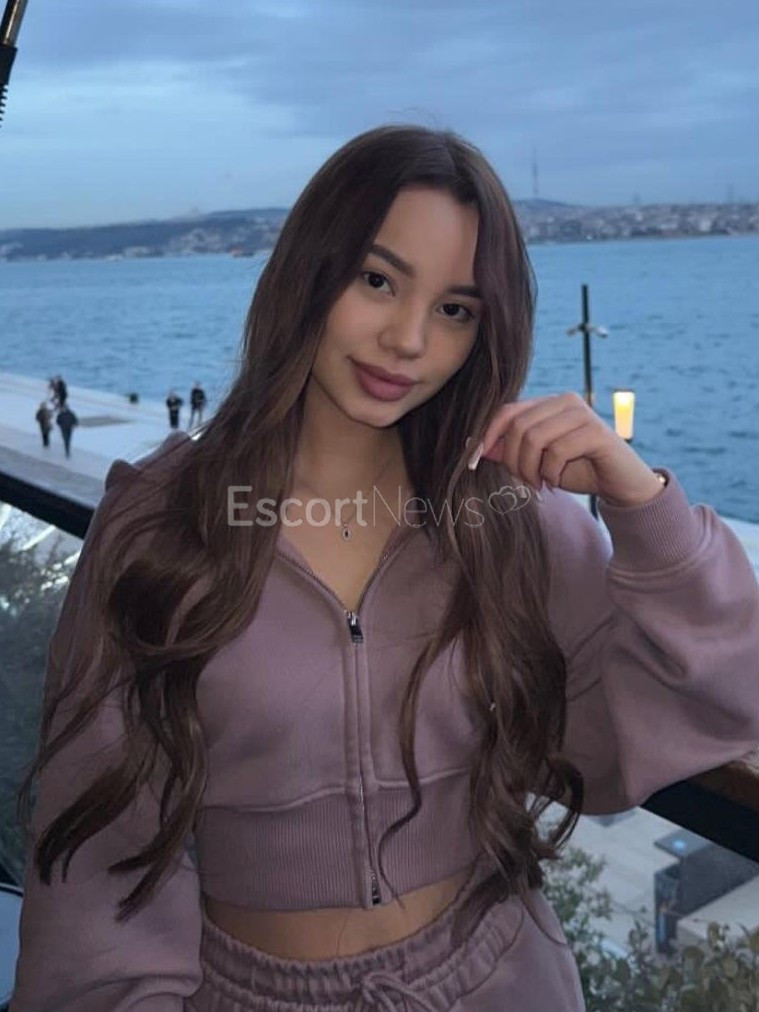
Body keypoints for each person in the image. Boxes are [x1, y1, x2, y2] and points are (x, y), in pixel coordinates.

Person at [10, 125, 759, 1012]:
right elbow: (97, 865)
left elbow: (712, 703)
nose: (408, 340)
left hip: (502, 978)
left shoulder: (507, 516)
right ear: (308, 273)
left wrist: (643, 506)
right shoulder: (162, 525)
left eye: (455, 309)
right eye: (377, 280)